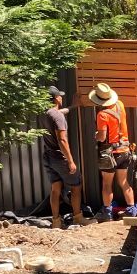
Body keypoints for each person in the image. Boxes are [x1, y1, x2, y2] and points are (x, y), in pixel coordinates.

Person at [41, 85, 90, 228]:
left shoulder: (46, 113)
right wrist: (70, 161)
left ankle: (56, 221)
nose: (61, 97)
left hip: (48, 156)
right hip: (59, 158)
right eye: (60, 95)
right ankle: (78, 217)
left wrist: (73, 106)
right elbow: (62, 140)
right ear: (56, 98)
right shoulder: (57, 116)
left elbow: (60, 113)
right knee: (76, 185)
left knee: (55, 189)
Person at [88, 83, 137, 221]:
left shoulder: (102, 115)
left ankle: (107, 213)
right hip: (125, 150)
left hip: (110, 154)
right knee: (123, 182)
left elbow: (103, 137)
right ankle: (131, 210)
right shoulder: (120, 105)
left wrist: (96, 135)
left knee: (107, 184)